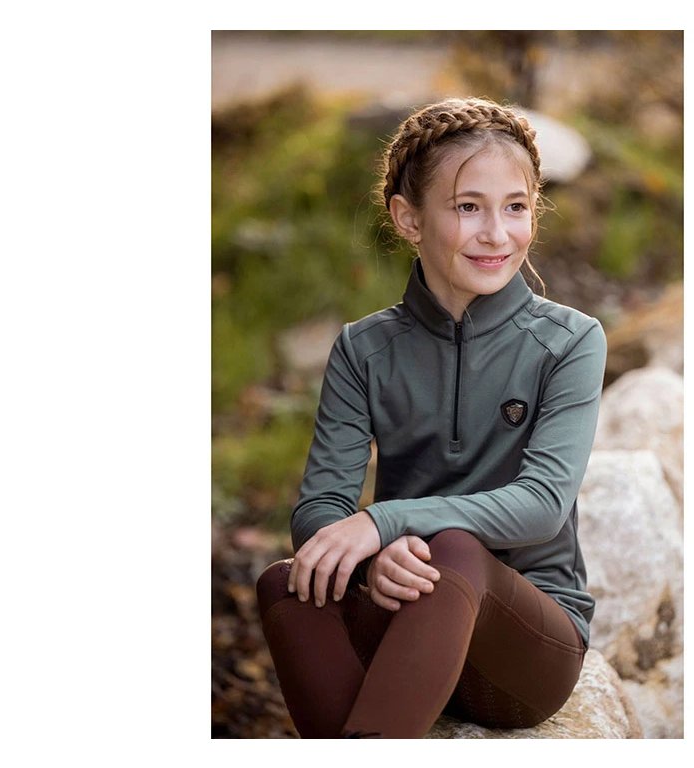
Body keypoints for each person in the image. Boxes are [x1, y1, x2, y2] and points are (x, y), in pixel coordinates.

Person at [256, 96, 607, 738]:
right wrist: (375, 561)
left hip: (524, 652)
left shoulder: (569, 342)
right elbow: (320, 510)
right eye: (468, 207)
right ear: (409, 218)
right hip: (403, 623)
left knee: (455, 552)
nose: (497, 233)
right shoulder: (364, 349)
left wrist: (385, 522)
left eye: (516, 207)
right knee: (288, 584)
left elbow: (542, 505)